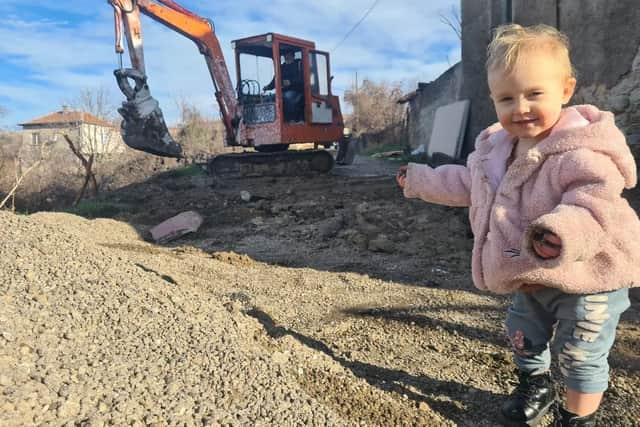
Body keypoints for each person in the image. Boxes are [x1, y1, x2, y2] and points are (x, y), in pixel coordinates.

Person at [396, 23, 640, 427]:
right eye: (506, 98)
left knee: (580, 351)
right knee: (522, 334)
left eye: (534, 94)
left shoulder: (580, 150)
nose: (520, 107)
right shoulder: (497, 151)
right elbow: (466, 183)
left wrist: (560, 232)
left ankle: (578, 418)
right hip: (529, 268)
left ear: (565, 90)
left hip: (590, 271)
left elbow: (593, 200)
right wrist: (421, 180)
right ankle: (535, 383)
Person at [263, 51, 304, 122]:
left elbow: (303, 79)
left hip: (296, 90)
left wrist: (291, 82)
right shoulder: (282, 67)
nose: (285, 56)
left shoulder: (298, 65)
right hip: (282, 91)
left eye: (287, 54)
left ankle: (291, 119)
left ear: (292, 55)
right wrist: (268, 87)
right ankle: (269, 120)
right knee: (267, 99)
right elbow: (275, 79)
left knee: (287, 98)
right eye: (285, 55)